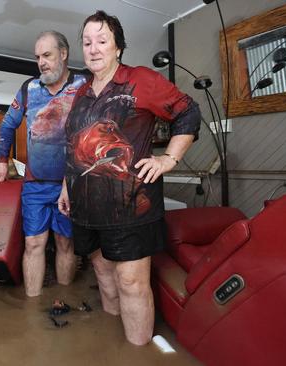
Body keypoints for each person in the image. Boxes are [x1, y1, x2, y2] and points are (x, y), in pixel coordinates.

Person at [58, 11, 200, 345]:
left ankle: (137, 352)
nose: (93, 48)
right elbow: (72, 144)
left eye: (102, 41)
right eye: (87, 41)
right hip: (85, 206)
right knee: (103, 274)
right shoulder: (80, 94)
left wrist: (169, 158)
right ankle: (113, 348)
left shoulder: (141, 80)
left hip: (130, 205)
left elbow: (188, 112)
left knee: (131, 282)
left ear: (118, 47)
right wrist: (65, 188)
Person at [0, 30, 87, 297]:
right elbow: (7, 125)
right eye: (38, 57)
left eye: (47, 55)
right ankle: (33, 311)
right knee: (34, 243)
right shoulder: (28, 89)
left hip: (71, 183)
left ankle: (63, 301)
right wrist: (1, 159)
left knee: (65, 243)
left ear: (64, 54)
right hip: (35, 184)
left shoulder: (84, 86)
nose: (41, 62)